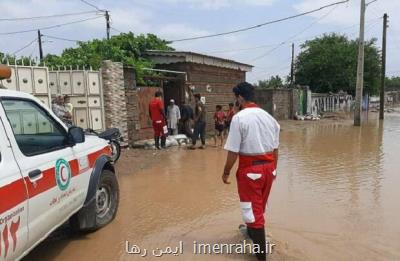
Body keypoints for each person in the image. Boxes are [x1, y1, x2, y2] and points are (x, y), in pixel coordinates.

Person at [222, 82, 280, 261]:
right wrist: (274, 170)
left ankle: (261, 257)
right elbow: (276, 149)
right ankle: (250, 231)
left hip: (250, 170)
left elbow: (233, 151)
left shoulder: (239, 118)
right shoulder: (270, 118)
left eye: (236, 98)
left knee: (251, 211)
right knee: (259, 207)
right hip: (269, 168)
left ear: (240, 98)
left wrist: (226, 172)